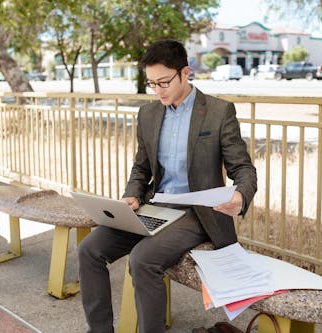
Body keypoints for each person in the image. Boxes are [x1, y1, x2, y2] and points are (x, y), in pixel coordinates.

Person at [78, 39, 257, 333]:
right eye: (152, 84)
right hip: (155, 206)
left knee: (143, 259)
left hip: (197, 213)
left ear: (185, 73)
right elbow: (141, 167)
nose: (158, 91)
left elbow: (243, 168)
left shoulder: (218, 112)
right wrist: (132, 195)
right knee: (90, 249)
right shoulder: (148, 115)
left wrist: (240, 195)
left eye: (164, 82)